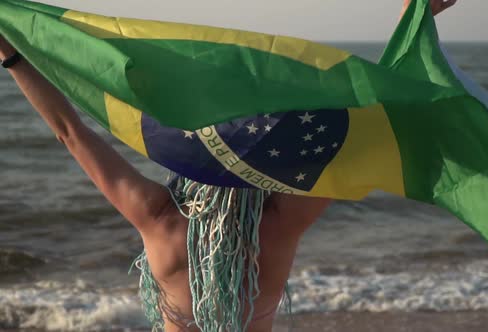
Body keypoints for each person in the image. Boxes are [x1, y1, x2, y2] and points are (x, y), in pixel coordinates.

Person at [0, 1, 457, 331]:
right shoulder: (277, 225)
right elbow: (367, 132)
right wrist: (414, 19)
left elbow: (70, 131)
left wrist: (12, 54)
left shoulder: (160, 219)